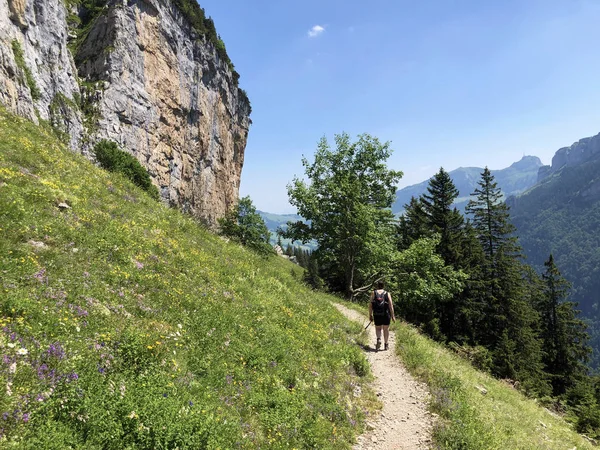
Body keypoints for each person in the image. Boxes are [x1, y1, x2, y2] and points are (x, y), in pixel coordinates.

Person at [368, 281, 395, 351]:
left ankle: (379, 339)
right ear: (383, 286)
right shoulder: (387, 293)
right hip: (386, 314)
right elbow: (391, 305)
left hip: (377, 314)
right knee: (386, 329)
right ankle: (386, 344)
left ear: (377, 286)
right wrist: (393, 316)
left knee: (378, 328)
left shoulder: (373, 293)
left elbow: (370, 305)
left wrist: (370, 315)